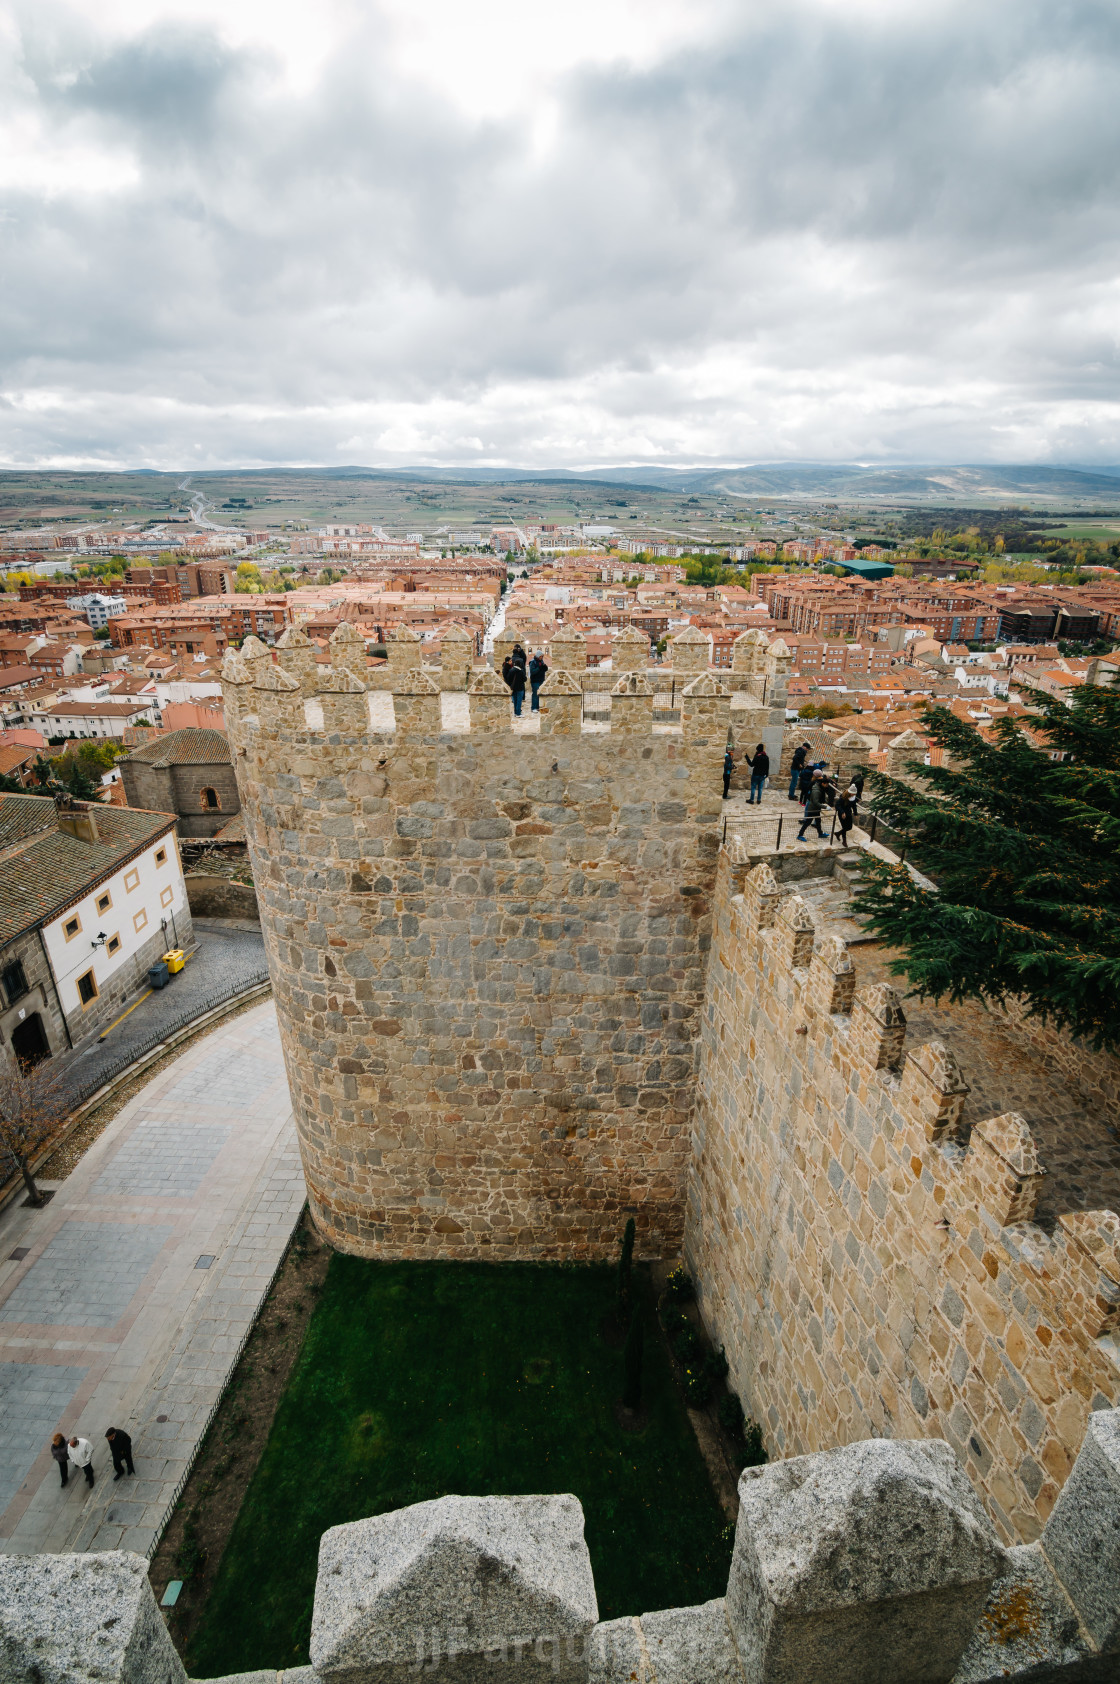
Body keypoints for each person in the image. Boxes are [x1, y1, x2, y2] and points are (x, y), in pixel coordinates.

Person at [797, 774, 826, 841]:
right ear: (823, 783)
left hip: (816, 809)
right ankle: (800, 835)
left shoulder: (819, 788)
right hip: (813, 809)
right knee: (808, 822)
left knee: (818, 821)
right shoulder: (816, 790)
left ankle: (820, 833)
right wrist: (825, 807)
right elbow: (815, 802)